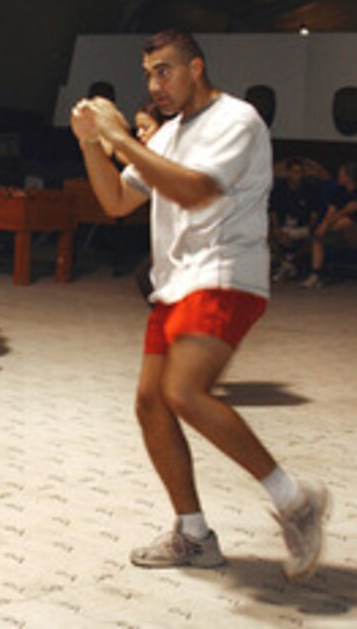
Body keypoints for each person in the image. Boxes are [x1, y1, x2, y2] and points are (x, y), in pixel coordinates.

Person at [70, 29, 329, 580]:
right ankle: (193, 534)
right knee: (151, 404)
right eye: (147, 74)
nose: (154, 84)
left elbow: (194, 190)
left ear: (197, 67)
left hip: (226, 273)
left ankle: (295, 502)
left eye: (164, 71)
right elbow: (116, 201)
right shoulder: (165, 136)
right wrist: (93, 143)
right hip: (176, 281)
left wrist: (123, 136)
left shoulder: (237, 120)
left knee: (183, 390)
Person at [301, 161, 357, 289]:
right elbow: (331, 211)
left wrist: (327, 225)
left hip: (352, 228)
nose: (339, 176)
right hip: (340, 231)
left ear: (349, 177)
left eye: (342, 174)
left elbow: (348, 211)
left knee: (346, 222)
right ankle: (316, 274)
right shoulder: (339, 191)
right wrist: (323, 226)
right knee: (318, 235)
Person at [269, 158, 320, 282]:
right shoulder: (279, 189)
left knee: (315, 236)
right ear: (288, 173)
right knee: (265, 235)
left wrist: (310, 226)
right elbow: (273, 210)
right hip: (282, 226)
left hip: (302, 226)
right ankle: (286, 263)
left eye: (300, 172)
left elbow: (314, 213)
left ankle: (289, 262)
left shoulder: (309, 189)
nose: (298, 174)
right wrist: (276, 228)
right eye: (294, 171)